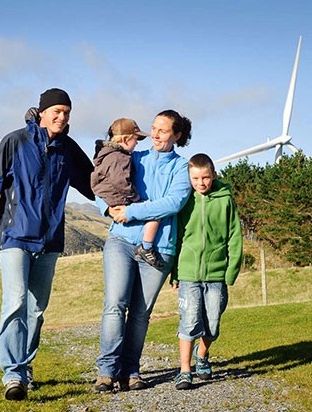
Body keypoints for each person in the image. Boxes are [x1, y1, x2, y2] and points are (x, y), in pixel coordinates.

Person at [0, 88, 95, 401]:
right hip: (15, 236)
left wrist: (121, 166)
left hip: (50, 240)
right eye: (57, 111)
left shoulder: (68, 149)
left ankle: (24, 370)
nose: (62, 117)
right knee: (15, 302)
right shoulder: (16, 142)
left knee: (36, 310)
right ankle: (13, 374)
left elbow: (95, 183)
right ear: (42, 112)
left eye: (67, 112)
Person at [94, 109, 193, 392]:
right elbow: (103, 180)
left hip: (159, 247)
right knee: (115, 304)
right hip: (121, 240)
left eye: (163, 130)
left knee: (140, 314)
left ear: (177, 135)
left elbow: (172, 203)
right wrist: (108, 209)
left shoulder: (181, 169)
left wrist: (131, 210)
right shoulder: (134, 157)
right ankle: (106, 371)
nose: (156, 134)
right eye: (153, 128)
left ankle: (130, 371)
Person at [171, 153, 243, 390]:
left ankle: (202, 356)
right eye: (195, 178)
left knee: (212, 324)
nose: (201, 183)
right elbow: (177, 237)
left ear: (213, 175)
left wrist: (231, 270)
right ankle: (184, 370)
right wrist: (174, 272)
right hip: (188, 273)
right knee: (189, 320)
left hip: (217, 275)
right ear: (189, 177)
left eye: (205, 177)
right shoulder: (186, 200)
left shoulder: (225, 200)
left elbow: (234, 235)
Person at [91, 118, 163, 269]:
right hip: (116, 196)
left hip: (106, 195)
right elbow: (121, 182)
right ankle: (147, 247)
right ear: (125, 139)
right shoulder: (119, 157)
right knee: (153, 213)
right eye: (135, 139)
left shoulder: (106, 155)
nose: (137, 143)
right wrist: (135, 199)